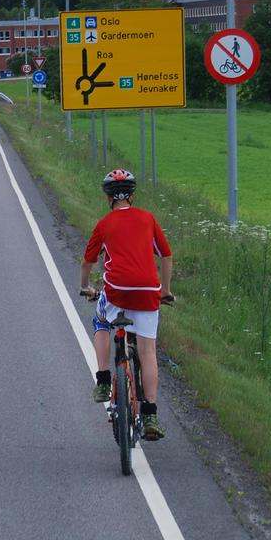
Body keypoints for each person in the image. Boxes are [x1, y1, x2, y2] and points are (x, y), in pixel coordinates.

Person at [79, 169, 173, 441]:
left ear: (109, 198)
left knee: (100, 320)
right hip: (147, 292)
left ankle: (104, 379)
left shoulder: (104, 224)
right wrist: (165, 290)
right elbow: (166, 256)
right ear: (132, 195)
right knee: (148, 352)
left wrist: (86, 287)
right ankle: (150, 414)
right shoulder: (147, 218)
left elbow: (88, 261)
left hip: (117, 291)